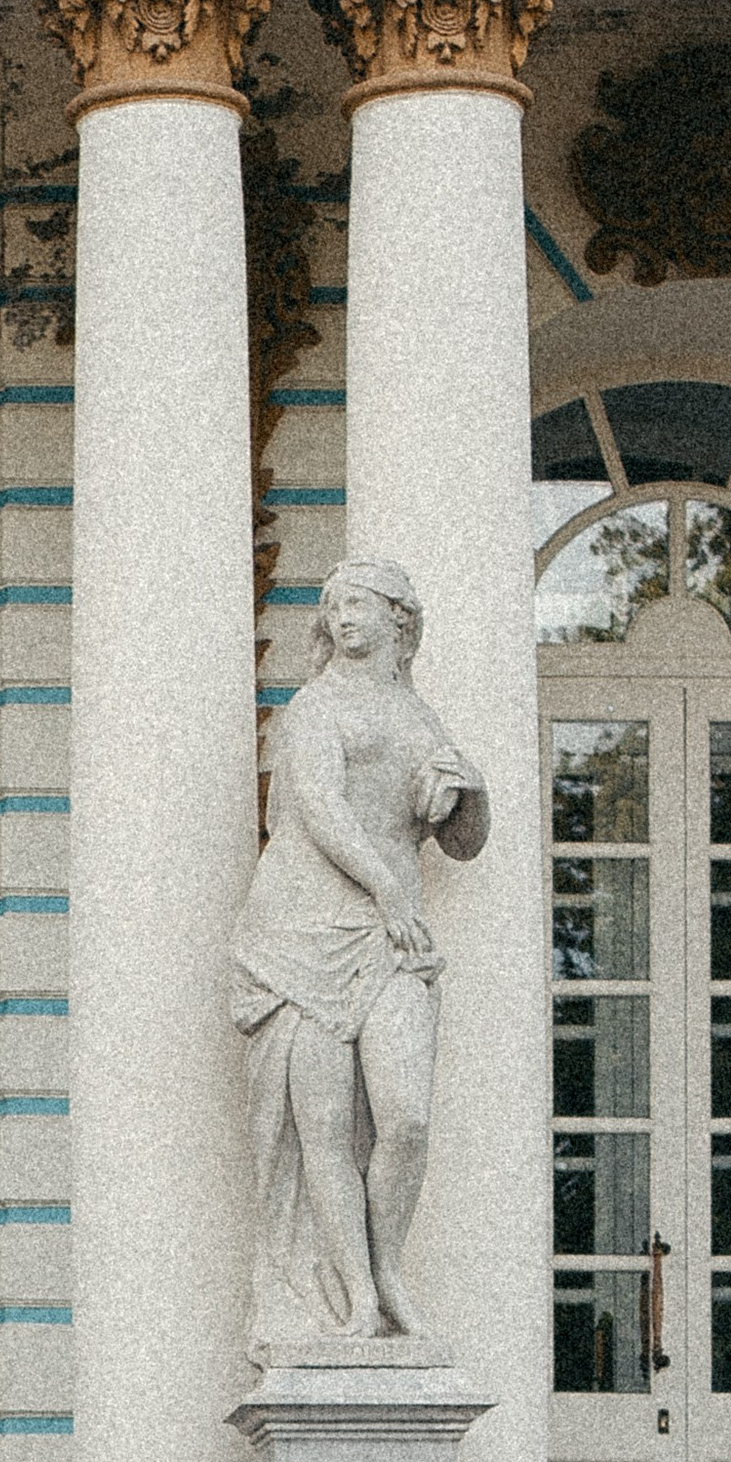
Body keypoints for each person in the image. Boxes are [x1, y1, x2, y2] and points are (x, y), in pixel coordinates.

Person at [231, 555, 489, 1346]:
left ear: (398, 620)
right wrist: (388, 892)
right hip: (301, 932)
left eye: (358, 604)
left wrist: (468, 792)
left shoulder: (420, 718)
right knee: (325, 1131)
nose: (342, 618)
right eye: (333, 605)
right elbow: (317, 807)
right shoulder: (316, 707)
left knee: (406, 1118)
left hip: (388, 936)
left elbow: (465, 845)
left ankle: (388, 1271)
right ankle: (357, 1301)